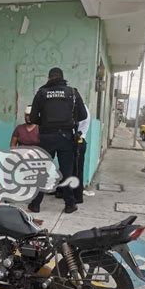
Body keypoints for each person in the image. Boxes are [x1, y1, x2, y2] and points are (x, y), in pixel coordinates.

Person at [28, 67, 87, 214]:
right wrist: (69, 121)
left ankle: (35, 204)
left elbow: (33, 118)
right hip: (66, 137)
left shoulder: (41, 93)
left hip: (47, 137)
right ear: (62, 77)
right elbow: (83, 115)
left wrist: (46, 122)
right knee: (67, 171)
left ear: (49, 78)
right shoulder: (72, 92)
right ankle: (69, 204)